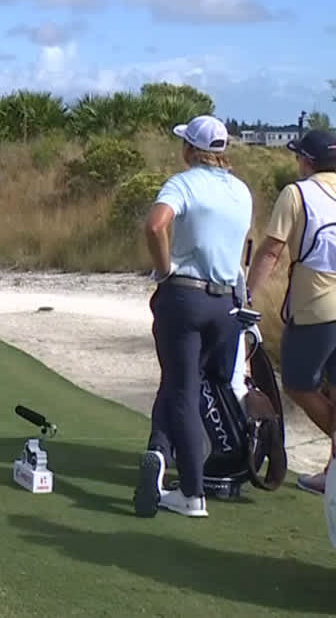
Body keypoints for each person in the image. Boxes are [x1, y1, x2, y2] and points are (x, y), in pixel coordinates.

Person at [134, 115, 254, 518]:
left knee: (182, 390)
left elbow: (155, 226)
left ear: (190, 149)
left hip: (185, 297)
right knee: (183, 385)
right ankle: (158, 449)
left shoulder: (183, 183)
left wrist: (165, 269)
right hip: (226, 305)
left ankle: (191, 493)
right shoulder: (241, 191)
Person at [244, 128, 336, 496]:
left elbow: (270, 252)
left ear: (307, 161)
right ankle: (332, 475)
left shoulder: (297, 193)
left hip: (315, 307)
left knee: (298, 383)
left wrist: (247, 295)